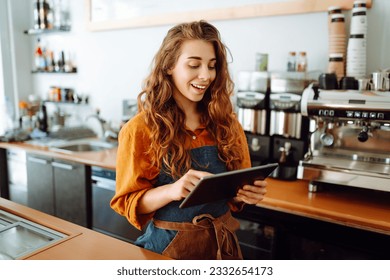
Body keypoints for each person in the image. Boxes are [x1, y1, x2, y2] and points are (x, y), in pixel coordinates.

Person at [110, 20, 267, 260]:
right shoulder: (140, 129)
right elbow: (130, 202)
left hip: (222, 249)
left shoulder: (227, 124)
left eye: (212, 66)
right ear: (169, 66)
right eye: (194, 65)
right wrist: (173, 190)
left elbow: (233, 192)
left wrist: (243, 194)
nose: (206, 76)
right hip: (168, 251)